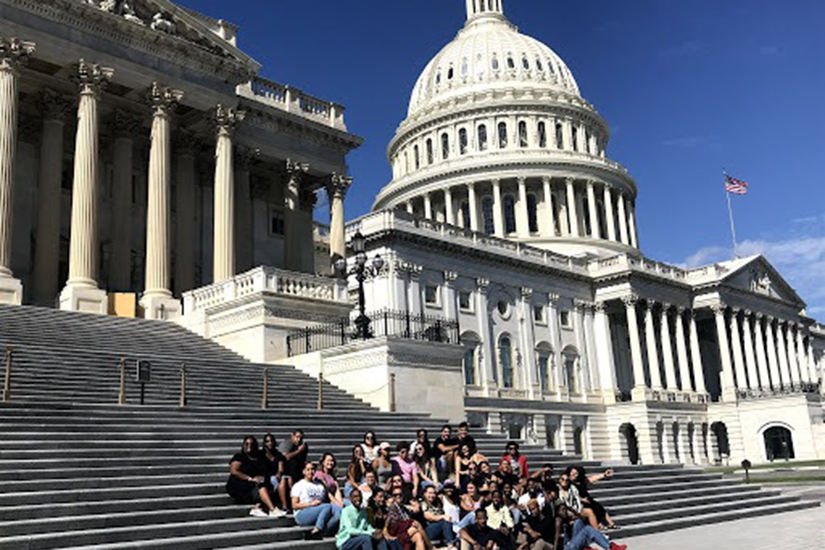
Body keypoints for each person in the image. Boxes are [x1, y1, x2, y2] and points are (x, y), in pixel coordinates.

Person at [226, 436, 286, 518]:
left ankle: (257, 507)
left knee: (267, 483)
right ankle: (272, 509)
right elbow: (234, 471)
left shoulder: (258, 458)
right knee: (261, 486)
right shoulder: (239, 457)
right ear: (243, 445)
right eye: (246, 444)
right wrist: (250, 478)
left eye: (251, 444)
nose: (249, 446)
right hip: (240, 486)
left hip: (252, 485)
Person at [292, 461, 343, 540]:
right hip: (302, 514)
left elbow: (328, 496)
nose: (310, 472)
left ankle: (326, 531)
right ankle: (317, 529)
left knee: (338, 509)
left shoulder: (319, 484)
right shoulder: (299, 485)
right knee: (327, 506)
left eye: (312, 469)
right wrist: (311, 504)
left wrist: (337, 503)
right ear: (303, 472)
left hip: (319, 510)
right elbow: (294, 505)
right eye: (308, 470)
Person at [568, 466, 617, 530]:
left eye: (576, 473)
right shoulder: (567, 482)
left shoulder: (582, 481)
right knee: (591, 509)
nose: (573, 474)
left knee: (599, 507)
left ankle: (611, 524)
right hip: (578, 502)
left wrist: (604, 475)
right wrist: (581, 499)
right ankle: (598, 525)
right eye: (572, 472)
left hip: (587, 499)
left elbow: (592, 478)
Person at [386, 486, 433, 550]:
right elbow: (394, 527)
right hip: (397, 535)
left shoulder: (402, 507)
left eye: (400, 494)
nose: (398, 496)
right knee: (416, 525)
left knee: (418, 535)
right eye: (395, 495)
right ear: (393, 496)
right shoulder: (392, 508)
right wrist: (409, 523)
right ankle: (431, 548)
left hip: (404, 532)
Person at [261, 433, 290, 513]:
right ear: (264, 443)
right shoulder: (261, 455)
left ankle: (285, 506)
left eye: (271, 441)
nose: (270, 443)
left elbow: (281, 469)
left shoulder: (278, 455)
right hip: (265, 477)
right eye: (267, 441)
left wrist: (279, 474)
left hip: (275, 477)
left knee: (283, 479)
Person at [279, 429, 309, 495]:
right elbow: (285, 457)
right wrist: (299, 451)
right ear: (292, 436)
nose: (298, 440)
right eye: (297, 437)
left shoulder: (303, 446)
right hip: (286, 469)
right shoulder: (287, 444)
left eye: (300, 438)